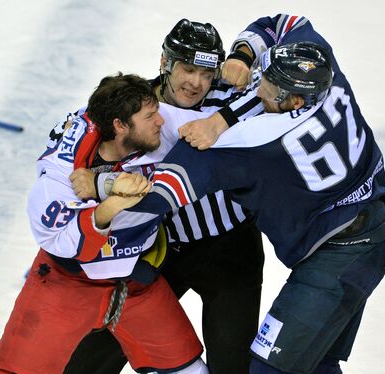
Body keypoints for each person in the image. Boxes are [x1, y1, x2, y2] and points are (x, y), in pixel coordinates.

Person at [128, 39, 385, 374]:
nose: (257, 89)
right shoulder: (331, 79)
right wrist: (243, 55)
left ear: (293, 100)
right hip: (376, 229)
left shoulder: (257, 141)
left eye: (268, 85)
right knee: (317, 363)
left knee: (269, 369)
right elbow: (287, 22)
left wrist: (104, 195)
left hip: (338, 257)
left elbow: (169, 187)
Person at [62, 19, 265, 374]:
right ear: (165, 62)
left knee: (232, 366)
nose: (197, 83)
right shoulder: (136, 105)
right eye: (188, 69)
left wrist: (245, 55)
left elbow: (280, 33)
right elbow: (94, 140)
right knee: (96, 352)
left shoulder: (228, 94)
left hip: (233, 250)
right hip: (165, 250)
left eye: (206, 72)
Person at [0, 73, 212, 374]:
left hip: (137, 280)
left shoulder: (156, 127)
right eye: (150, 116)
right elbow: (62, 240)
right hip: (66, 284)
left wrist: (102, 185)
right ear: (120, 125)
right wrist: (110, 207)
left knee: (189, 370)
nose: (160, 121)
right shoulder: (58, 175)